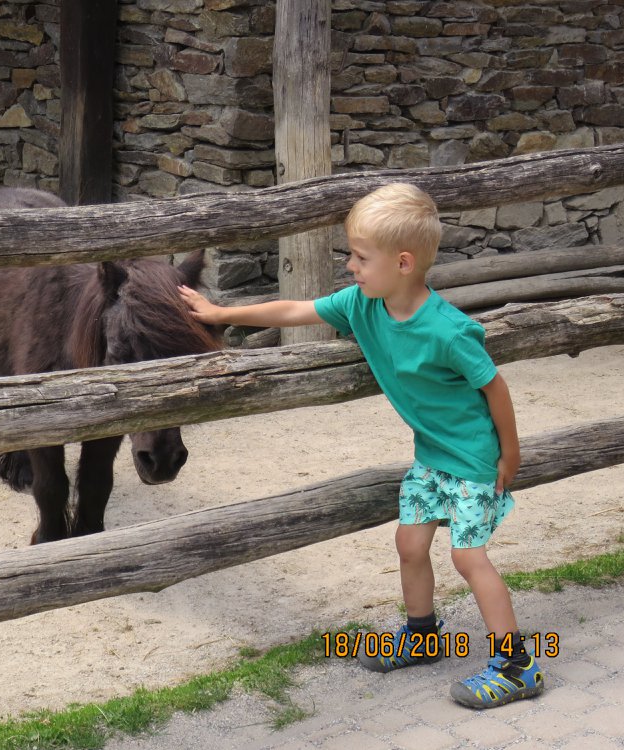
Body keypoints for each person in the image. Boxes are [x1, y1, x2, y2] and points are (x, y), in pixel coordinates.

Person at [178, 183, 544, 709]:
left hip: (473, 463)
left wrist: (510, 455)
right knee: (410, 545)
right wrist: (219, 313)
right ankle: (423, 635)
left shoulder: (448, 330)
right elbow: (292, 310)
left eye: (359, 256)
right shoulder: (361, 305)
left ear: (402, 263)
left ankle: (516, 666)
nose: (349, 266)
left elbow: (495, 386)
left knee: (469, 558)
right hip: (431, 459)